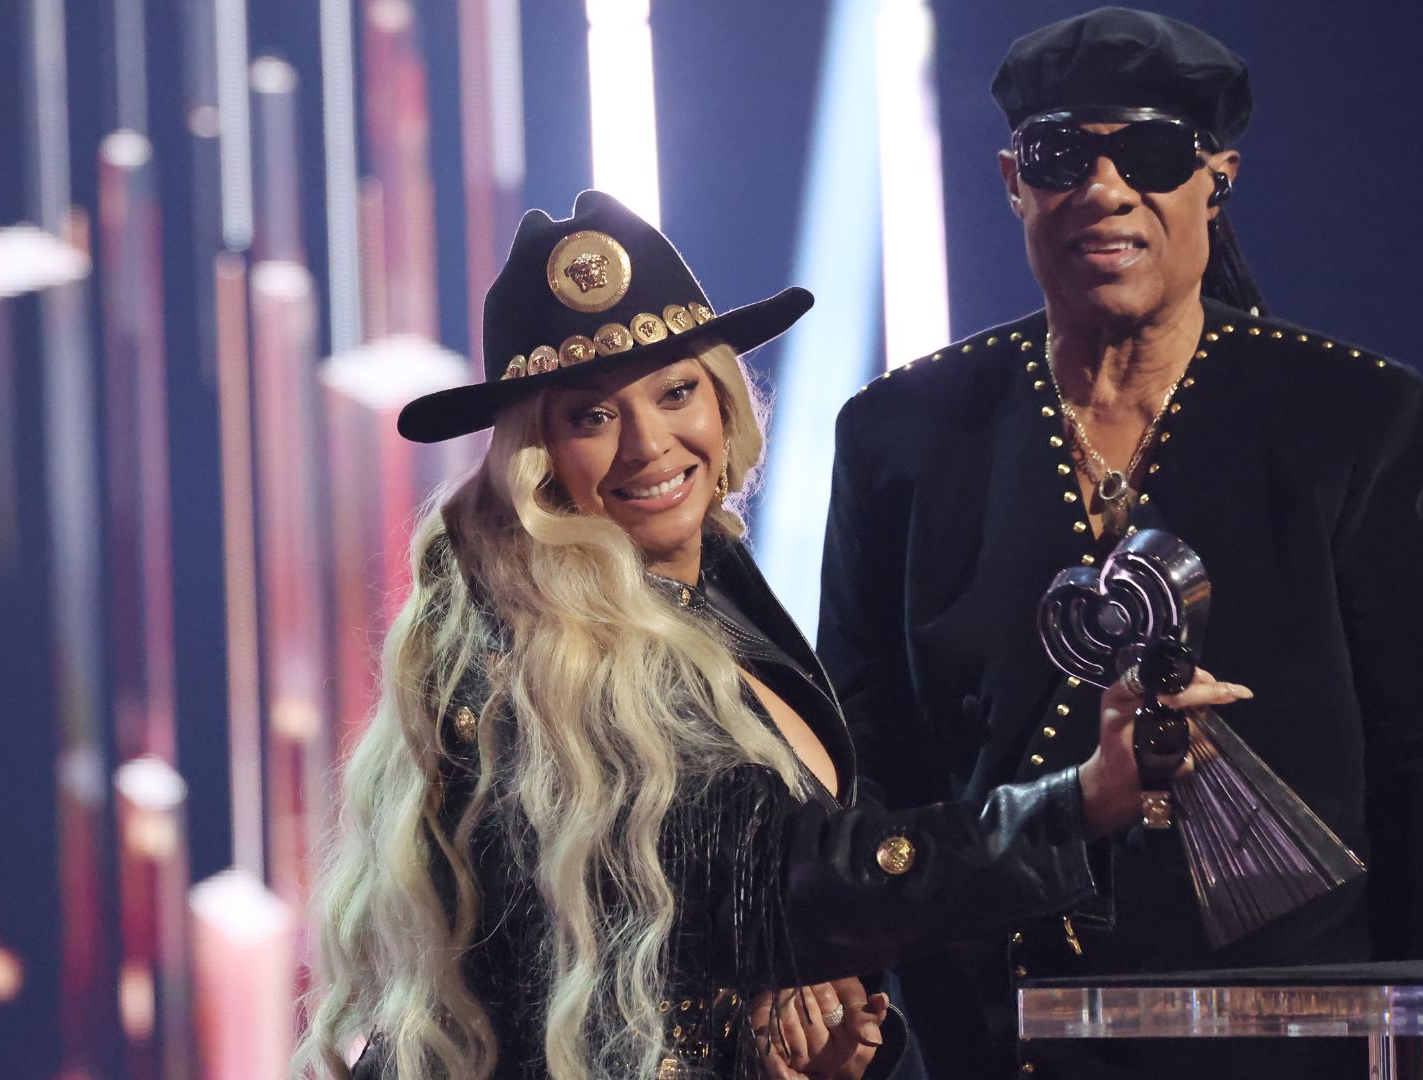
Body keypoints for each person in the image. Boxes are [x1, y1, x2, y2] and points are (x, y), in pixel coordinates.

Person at [294, 190, 1243, 1080]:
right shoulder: (535, 652)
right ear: (537, 460)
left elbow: (703, 936)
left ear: (721, 400)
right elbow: (778, 877)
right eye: (591, 416)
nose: (648, 445)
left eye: (673, 394)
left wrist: (800, 1042)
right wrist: (1080, 801)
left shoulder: (703, 585)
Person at [818, 8, 1423, 1079]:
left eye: (1147, 153)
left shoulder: (1351, 415)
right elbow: (868, 753)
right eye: (1060, 156)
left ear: (1215, 179)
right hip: (1000, 1040)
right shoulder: (900, 434)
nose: (1103, 191)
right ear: (1013, 180)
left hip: (1295, 1043)